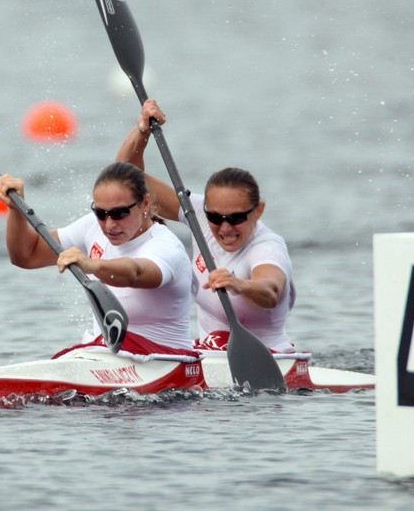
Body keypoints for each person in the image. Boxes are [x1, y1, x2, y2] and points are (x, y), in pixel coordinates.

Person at [116, 99, 298, 354]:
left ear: (259, 210)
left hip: (268, 358)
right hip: (209, 353)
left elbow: (271, 290)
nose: (225, 228)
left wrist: (239, 284)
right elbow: (126, 179)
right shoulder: (197, 215)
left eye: (236, 219)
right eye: (215, 217)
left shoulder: (266, 247)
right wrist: (142, 132)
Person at [0, 161, 196, 356]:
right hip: (108, 355)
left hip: (165, 361)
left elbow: (136, 273)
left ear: (145, 203)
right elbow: (26, 255)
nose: (109, 225)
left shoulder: (166, 247)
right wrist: (16, 211)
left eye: (119, 213)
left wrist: (92, 265)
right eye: (101, 213)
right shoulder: (92, 226)